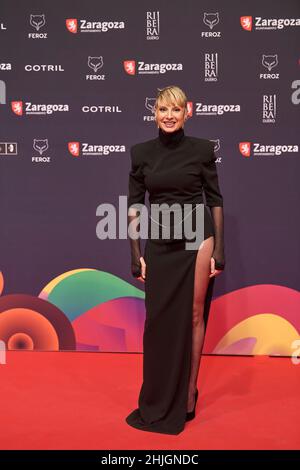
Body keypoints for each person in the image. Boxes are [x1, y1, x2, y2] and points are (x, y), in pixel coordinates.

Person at [126, 85, 225, 435]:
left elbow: (214, 198)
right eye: (162, 109)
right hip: (161, 244)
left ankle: (188, 394)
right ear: (154, 113)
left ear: (187, 113)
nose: (169, 115)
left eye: (176, 109)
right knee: (157, 321)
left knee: (195, 314)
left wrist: (220, 250)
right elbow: (135, 206)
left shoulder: (201, 150)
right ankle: (156, 396)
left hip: (198, 238)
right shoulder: (141, 153)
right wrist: (136, 254)